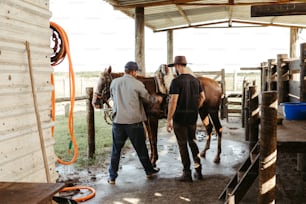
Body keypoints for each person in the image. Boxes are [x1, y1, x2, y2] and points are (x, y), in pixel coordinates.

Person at [108, 61, 163, 185]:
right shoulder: (137, 83)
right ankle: (149, 172)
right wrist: (157, 99)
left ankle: (112, 177)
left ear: (125, 70)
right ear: (133, 72)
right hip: (134, 122)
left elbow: (113, 97)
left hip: (118, 122)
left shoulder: (114, 83)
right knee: (141, 149)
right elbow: (147, 98)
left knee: (116, 151)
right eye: (136, 72)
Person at [166, 56, 205, 182]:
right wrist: (195, 107)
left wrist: (168, 120)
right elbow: (203, 97)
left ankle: (186, 173)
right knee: (193, 142)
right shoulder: (196, 81)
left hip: (180, 118)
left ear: (177, 66)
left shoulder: (176, 82)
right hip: (192, 118)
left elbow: (173, 101)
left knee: (183, 145)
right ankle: (198, 171)